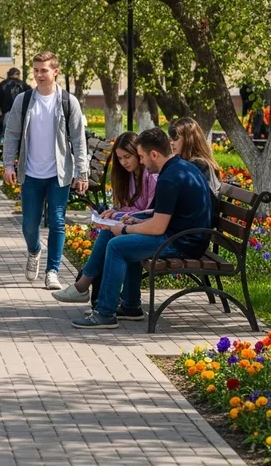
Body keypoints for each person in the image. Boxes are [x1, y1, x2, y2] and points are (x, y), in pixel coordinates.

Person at [71, 127, 213, 329]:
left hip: (183, 243)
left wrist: (126, 230)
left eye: (142, 156)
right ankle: (130, 306)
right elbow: (162, 218)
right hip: (186, 237)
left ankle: (104, 313)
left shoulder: (169, 178)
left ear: (154, 154)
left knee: (117, 246)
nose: (142, 162)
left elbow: (157, 228)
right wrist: (137, 223)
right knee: (123, 242)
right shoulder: (180, 168)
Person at [3, 51, 88, 291]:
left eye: (44, 70)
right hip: (30, 173)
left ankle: (52, 271)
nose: (39, 75)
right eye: (36, 70)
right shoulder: (24, 100)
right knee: (30, 225)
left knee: (57, 222)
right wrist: (8, 163)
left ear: (55, 71)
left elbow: (78, 139)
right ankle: (34, 250)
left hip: (58, 174)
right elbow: (12, 134)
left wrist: (81, 173)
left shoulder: (67, 101)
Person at [51, 131, 158, 312]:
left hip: (154, 230)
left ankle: (86, 287)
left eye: (128, 157)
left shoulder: (151, 176)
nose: (124, 162)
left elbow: (148, 212)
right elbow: (132, 209)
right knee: (115, 234)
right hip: (140, 226)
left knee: (116, 240)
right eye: (120, 158)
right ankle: (129, 305)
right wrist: (114, 213)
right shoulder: (129, 176)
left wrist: (116, 216)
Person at [168, 117, 221, 195]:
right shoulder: (187, 162)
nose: (172, 143)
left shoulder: (199, 165)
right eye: (171, 139)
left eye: (176, 138)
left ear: (188, 140)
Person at [0, 67, 28, 138]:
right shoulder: (23, 84)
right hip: (21, 112)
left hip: (7, 111)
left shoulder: (3, 84)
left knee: (6, 132)